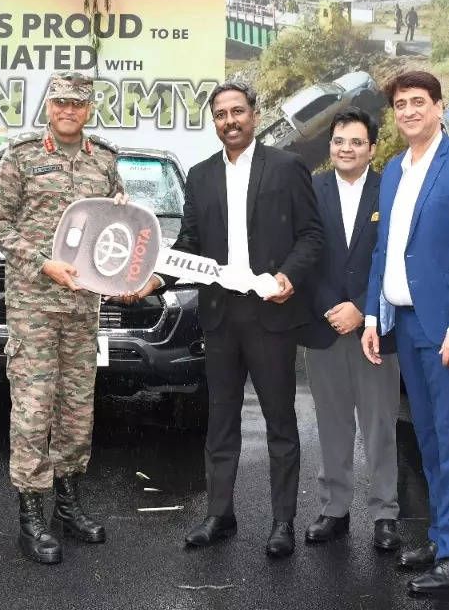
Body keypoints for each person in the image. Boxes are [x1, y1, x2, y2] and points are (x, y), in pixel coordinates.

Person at [130, 80, 323, 559]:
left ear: (255, 115)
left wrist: (288, 277)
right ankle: (219, 514)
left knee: (280, 422)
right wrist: (155, 280)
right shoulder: (199, 176)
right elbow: (190, 244)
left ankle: (282, 523)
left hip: (271, 314)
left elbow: (312, 236)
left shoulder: (288, 166)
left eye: (238, 112)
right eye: (221, 114)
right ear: (213, 121)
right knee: (220, 422)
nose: (230, 121)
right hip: (219, 316)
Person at [359, 70, 449, 593]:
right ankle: (444, 538)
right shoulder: (395, 169)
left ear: (441, 107)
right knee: (429, 440)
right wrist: (374, 315)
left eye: (419, 102)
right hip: (408, 322)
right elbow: (385, 249)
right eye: (401, 104)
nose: (409, 112)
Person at [0, 71, 126, 565]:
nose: (68, 110)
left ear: (89, 109)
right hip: (34, 308)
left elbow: (118, 221)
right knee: (32, 411)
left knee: (77, 410)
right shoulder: (22, 158)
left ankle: (68, 505)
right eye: (61, 101)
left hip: (83, 308)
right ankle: (31, 516)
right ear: (49, 105)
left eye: (78, 103)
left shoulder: (104, 162)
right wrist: (40, 261)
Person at [298, 107, 402, 551]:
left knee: (380, 424)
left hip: (375, 328)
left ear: (372, 148)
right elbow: (304, 251)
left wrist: (361, 309)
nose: (347, 149)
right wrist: (331, 308)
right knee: (333, 423)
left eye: (357, 142)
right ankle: (334, 509)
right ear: (331, 146)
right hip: (324, 326)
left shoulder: (390, 189)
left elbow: (396, 255)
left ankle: (384, 512)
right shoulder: (312, 188)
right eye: (340, 141)